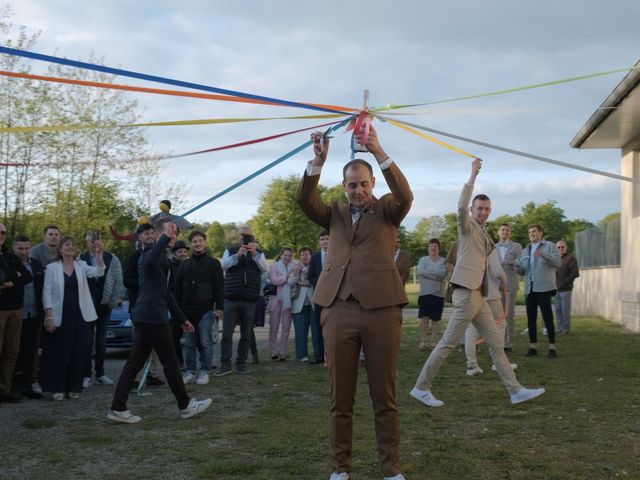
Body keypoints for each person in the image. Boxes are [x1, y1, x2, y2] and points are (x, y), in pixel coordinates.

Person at [296, 125, 411, 480]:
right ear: (344, 187)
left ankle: (390, 469)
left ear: (372, 183)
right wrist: (318, 161)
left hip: (381, 309)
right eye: (351, 185)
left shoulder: (390, 209)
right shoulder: (333, 213)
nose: (358, 190)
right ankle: (339, 468)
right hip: (337, 309)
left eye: (363, 183)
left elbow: (405, 195)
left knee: (384, 398)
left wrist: (377, 149)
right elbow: (304, 200)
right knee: (339, 399)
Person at [411, 158, 545, 410]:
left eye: (487, 209)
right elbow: (460, 205)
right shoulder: (467, 227)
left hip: (479, 295)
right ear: (473, 211)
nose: (483, 212)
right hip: (464, 293)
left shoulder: (484, 235)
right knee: (448, 343)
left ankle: (515, 390)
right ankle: (421, 387)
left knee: (496, 343)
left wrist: (502, 279)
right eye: (479, 208)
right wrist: (472, 174)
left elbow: (489, 265)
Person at [108, 219, 211, 423]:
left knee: (134, 363)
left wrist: (182, 319)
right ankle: (186, 405)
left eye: (173, 234)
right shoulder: (148, 254)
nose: (173, 236)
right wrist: (164, 236)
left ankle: (118, 408)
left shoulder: (163, 257)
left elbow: (166, 294)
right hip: (152, 317)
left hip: (147, 317)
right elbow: (150, 258)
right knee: (170, 363)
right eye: (169, 233)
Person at [41, 237, 104, 400]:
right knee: (60, 352)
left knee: (78, 352)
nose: (70, 247)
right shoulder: (52, 268)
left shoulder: (81, 266)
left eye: (73, 245)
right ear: (60, 250)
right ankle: (57, 388)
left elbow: (99, 271)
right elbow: (46, 293)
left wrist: (99, 254)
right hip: (59, 316)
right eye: (67, 245)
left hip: (79, 315)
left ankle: (74, 386)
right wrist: (48, 317)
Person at [218, 225, 268, 375]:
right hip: (231, 298)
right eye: (242, 235)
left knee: (246, 334)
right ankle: (225, 364)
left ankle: (241, 363)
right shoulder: (231, 251)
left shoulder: (258, 253)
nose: (245, 238)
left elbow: (266, 269)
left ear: (252, 237)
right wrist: (237, 256)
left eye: (248, 236)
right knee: (227, 334)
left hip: (250, 299)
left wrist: (255, 255)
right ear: (238, 237)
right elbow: (222, 265)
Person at [176, 230, 224, 385]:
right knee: (189, 344)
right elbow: (177, 289)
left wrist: (219, 308)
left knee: (205, 342)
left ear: (204, 242)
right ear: (191, 244)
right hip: (186, 311)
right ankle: (189, 372)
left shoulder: (213, 263)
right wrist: (178, 311)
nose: (197, 243)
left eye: (200, 241)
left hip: (206, 310)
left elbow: (219, 288)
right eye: (194, 241)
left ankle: (204, 371)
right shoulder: (184, 265)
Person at [80, 231, 124, 388]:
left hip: (104, 306)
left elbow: (119, 281)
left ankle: (101, 373)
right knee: (86, 341)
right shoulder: (81, 260)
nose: (95, 244)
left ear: (102, 242)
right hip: (87, 306)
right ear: (87, 242)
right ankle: (86, 374)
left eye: (97, 241)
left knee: (101, 341)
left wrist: (111, 302)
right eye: (91, 241)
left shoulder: (112, 258)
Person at [464, 249, 518, 375]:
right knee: (500, 324)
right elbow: (497, 270)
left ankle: (471, 365)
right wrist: (504, 280)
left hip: (473, 293)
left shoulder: (467, 247)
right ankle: (499, 363)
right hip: (490, 294)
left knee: (472, 328)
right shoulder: (486, 244)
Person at [122, 223, 164, 386]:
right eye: (146, 233)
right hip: (139, 307)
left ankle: (152, 374)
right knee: (138, 344)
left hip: (156, 307)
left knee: (154, 344)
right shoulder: (133, 258)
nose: (150, 236)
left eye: (152, 233)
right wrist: (144, 283)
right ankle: (135, 377)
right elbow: (127, 279)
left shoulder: (160, 256)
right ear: (139, 237)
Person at [515, 225, 562, 358]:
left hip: (544, 288)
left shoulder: (550, 246)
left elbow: (558, 263)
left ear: (540, 233)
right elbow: (522, 270)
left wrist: (544, 255)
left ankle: (552, 347)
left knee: (547, 318)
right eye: (530, 232)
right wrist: (516, 266)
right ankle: (532, 347)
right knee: (531, 319)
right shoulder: (526, 250)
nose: (532, 234)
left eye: (534, 231)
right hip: (530, 289)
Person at [0, 225, 33, 403]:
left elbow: (28, 276)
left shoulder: (10, 256)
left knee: (11, 351)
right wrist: (13, 276)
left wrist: (9, 278)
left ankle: (4, 390)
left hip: (15, 310)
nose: (1, 235)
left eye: (3, 232)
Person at [12, 235, 45, 399]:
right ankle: (13, 386)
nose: (24, 252)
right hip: (16, 313)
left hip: (34, 314)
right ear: (14, 248)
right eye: (20, 248)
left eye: (26, 248)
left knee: (31, 351)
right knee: (13, 351)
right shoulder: (9, 264)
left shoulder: (36, 265)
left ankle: (28, 385)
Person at [495, 223, 523, 353]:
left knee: (509, 315)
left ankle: (509, 343)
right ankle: (500, 341)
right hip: (497, 285)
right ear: (498, 232)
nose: (505, 232)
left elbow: (522, 263)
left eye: (507, 230)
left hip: (511, 284)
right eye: (503, 229)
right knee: (498, 315)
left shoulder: (516, 246)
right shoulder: (493, 247)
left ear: (509, 233)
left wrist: (510, 262)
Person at [416, 238, 447, 350]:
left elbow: (443, 274)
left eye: (435, 246)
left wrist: (429, 272)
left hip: (438, 294)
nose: (433, 248)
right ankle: (423, 342)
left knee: (436, 319)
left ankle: (434, 342)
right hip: (425, 293)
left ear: (438, 248)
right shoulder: (423, 260)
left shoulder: (443, 261)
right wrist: (436, 276)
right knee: (424, 318)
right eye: (431, 246)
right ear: (428, 248)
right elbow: (420, 271)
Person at [268, 247, 297, 361]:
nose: (287, 257)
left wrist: (288, 278)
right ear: (281, 255)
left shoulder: (294, 266)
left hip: (288, 300)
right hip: (276, 300)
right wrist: (287, 277)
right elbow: (274, 280)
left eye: (289, 255)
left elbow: (294, 281)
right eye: (285, 255)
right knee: (273, 327)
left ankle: (282, 351)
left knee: (286, 327)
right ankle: (273, 351)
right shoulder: (274, 266)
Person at [307, 230, 329, 364]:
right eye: (322, 239)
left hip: (335, 297)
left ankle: (334, 355)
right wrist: (321, 285)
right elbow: (310, 276)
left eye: (327, 238)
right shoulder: (314, 257)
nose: (325, 241)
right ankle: (320, 356)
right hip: (319, 297)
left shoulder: (338, 254)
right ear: (319, 242)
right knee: (319, 327)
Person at [289, 247, 314, 362]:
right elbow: (290, 282)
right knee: (300, 332)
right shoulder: (295, 267)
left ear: (311, 256)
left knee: (316, 332)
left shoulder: (315, 267)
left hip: (313, 304)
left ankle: (318, 353)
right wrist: (296, 272)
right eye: (302, 254)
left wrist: (301, 283)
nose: (304, 256)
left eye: (306, 254)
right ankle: (302, 355)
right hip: (299, 305)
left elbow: (315, 282)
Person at [169, 239, 190, 370]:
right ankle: (179, 362)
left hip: (191, 305)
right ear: (174, 253)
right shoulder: (170, 266)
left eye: (184, 251)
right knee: (174, 336)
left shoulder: (191, 264)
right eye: (180, 252)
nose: (182, 253)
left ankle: (205, 361)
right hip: (176, 306)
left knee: (197, 335)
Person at [555, 240, 580, 334]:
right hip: (555, 289)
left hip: (566, 289)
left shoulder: (571, 258)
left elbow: (575, 273)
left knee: (565, 310)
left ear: (566, 248)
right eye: (558, 247)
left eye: (562, 247)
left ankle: (566, 329)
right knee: (557, 310)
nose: (560, 249)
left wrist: (565, 282)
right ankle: (559, 328)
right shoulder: (555, 259)